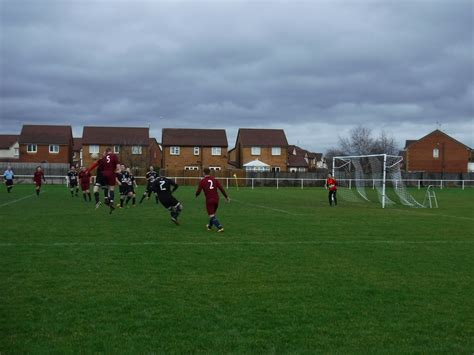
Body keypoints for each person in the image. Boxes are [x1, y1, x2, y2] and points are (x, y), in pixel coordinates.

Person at [86, 147, 120, 214]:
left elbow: (95, 164)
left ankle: (106, 201)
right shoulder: (111, 157)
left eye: (104, 152)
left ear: (106, 152)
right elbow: (117, 165)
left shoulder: (102, 159)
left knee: (105, 188)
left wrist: (88, 170)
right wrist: (118, 169)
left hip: (103, 176)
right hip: (107, 175)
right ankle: (108, 202)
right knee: (109, 189)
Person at [195, 167, 229, 232]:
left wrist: (196, 195)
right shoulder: (214, 179)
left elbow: (198, 191)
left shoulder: (202, 181)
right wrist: (226, 197)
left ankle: (220, 227)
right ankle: (209, 226)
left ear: (203, 173)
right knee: (212, 214)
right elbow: (221, 188)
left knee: (212, 215)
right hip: (216, 199)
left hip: (209, 200)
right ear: (209, 172)